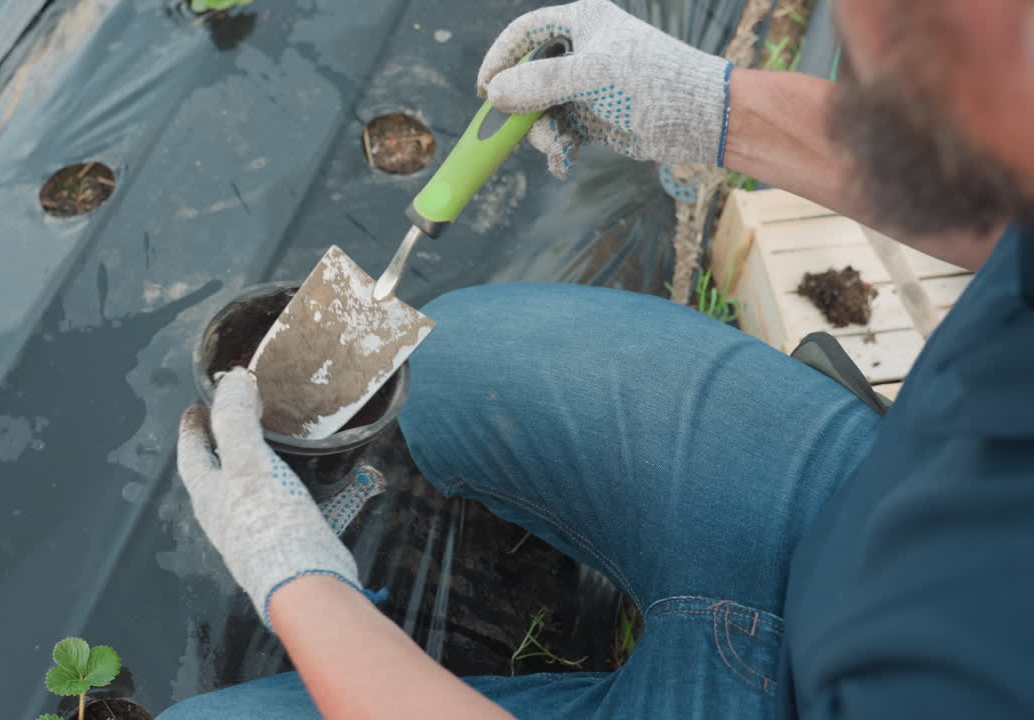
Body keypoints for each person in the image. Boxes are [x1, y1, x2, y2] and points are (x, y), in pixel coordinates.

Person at [160, 0, 1034, 717]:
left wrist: (302, 581)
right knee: (462, 361)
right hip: (862, 507)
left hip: (855, 692)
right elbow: (1005, 180)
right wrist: (708, 105)